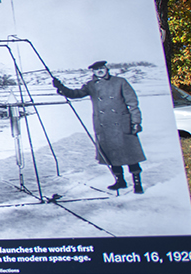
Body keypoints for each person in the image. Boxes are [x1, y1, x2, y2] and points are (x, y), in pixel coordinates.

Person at [52, 60, 147, 193]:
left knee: (130, 155)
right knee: (111, 155)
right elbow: (76, 94)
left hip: (122, 124)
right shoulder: (91, 85)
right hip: (104, 126)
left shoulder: (120, 82)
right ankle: (120, 181)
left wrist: (136, 122)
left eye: (101, 68)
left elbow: (133, 103)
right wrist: (61, 87)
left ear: (106, 68)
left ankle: (137, 183)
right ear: (93, 72)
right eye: (96, 69)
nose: (99, 71)